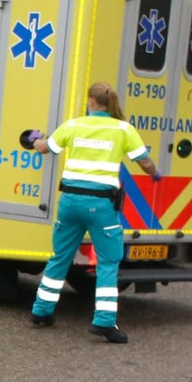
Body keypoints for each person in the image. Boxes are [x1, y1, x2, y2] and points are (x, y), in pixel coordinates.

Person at [26, 81, 160, 344]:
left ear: (90, 102)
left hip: (70, 202)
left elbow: (43, 148)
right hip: (101, 206)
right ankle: (104, 323)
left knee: (60, 257)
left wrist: (33, 138)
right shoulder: (123, 129)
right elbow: (144, 162)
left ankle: (41, 311)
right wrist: (155, 172)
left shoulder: (73, 125)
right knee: (108, 263)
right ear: (110, 103)